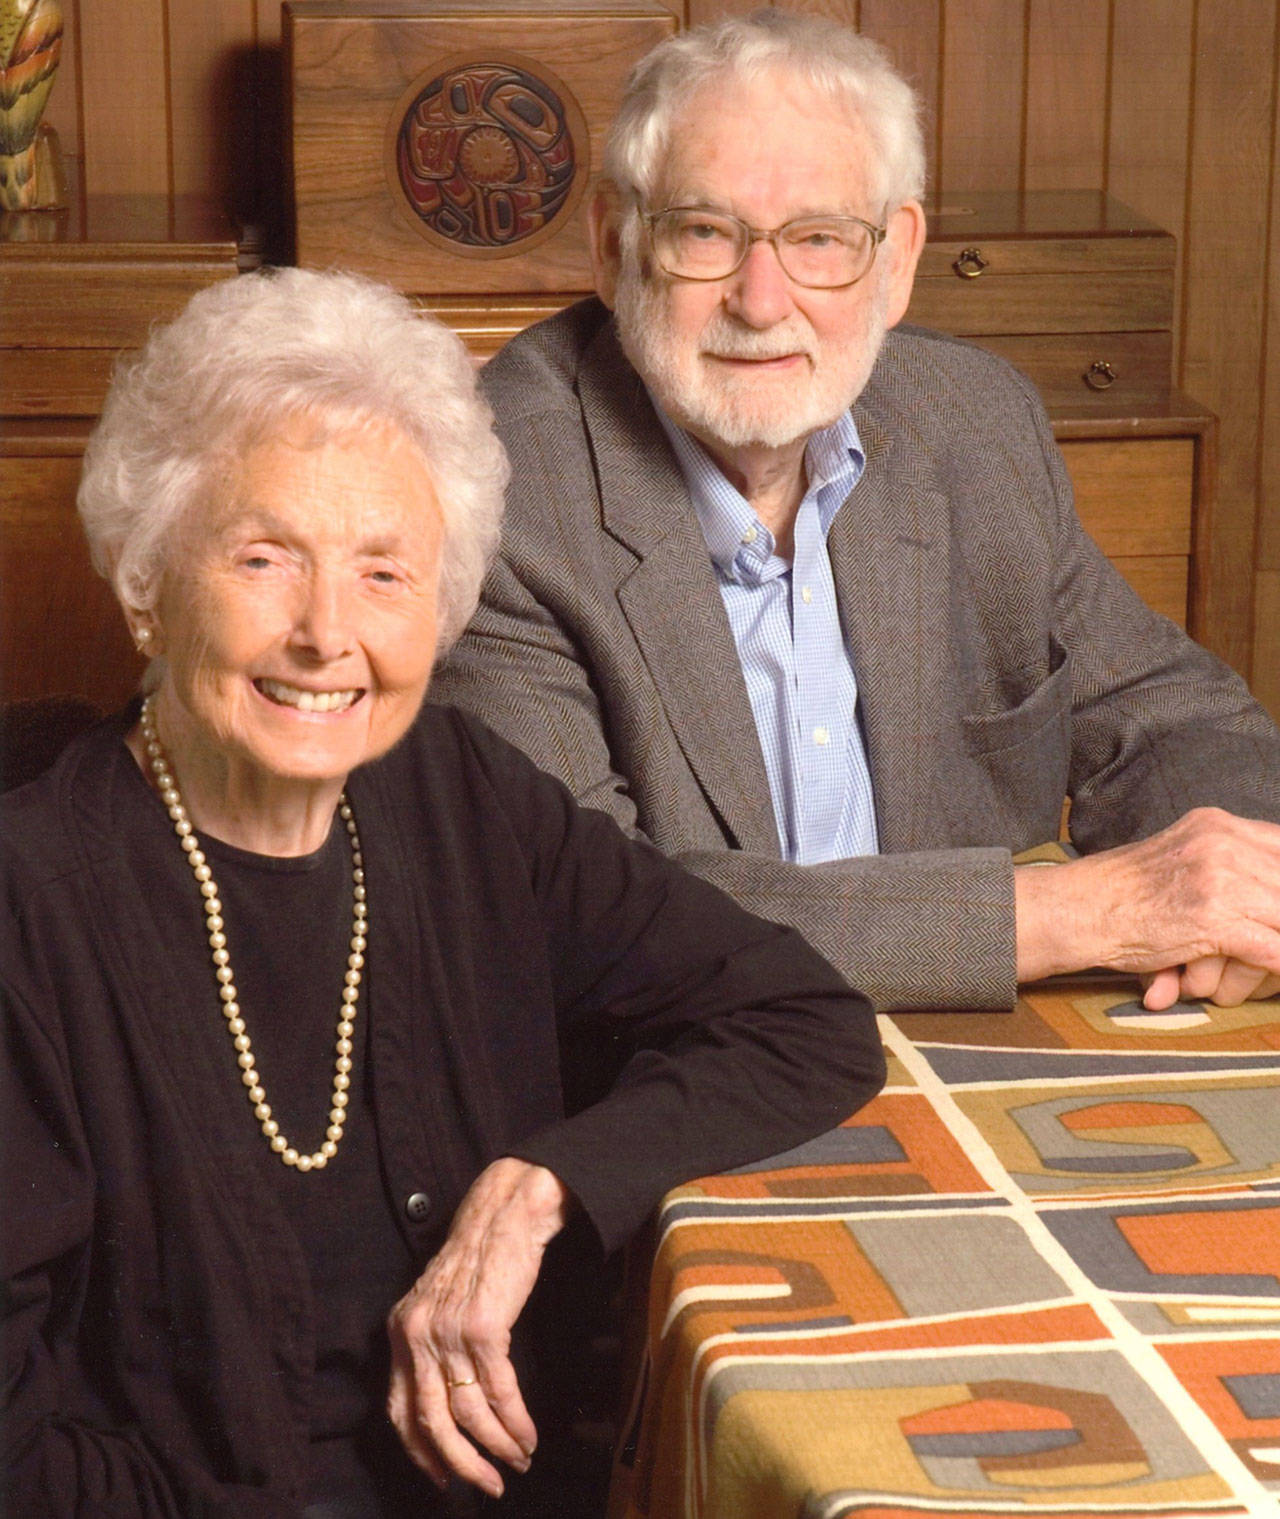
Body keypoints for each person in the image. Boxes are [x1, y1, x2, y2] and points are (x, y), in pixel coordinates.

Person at [0, 267, 886, 1518]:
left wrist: (542, 1189)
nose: (326, 633)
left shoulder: (460, 797)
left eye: (383, 572)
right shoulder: (32, 905)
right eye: (264, 559)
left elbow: (800, 1020)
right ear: (147, 585)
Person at [434, 8, 1280, 1015]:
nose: (760, 298)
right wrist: (1072, 915)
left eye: (818, 239)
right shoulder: (493, 489)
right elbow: (584, 910)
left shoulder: (972, 425)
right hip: (667, 1063)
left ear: (895, 258)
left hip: (975, 1060)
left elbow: (1169, 715)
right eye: (704, 232)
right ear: (614, 244)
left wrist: (1236, 896)